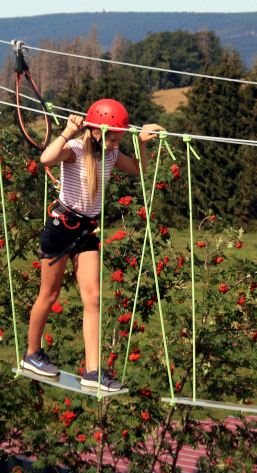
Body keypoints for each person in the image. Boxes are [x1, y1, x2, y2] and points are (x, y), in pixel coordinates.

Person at [21, 99, 163, 391]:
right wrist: (67, 131)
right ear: (96, 131)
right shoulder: (74, 149)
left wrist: (141, 142)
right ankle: (32, 354)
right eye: (113, 138)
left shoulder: (111, 155)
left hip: (87, 230)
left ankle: (92, 371)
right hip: (61, 228)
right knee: (50, 294)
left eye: (119, 139)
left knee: (94, 298)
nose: (116, 145)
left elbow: (138, 170)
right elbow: (46, 159)